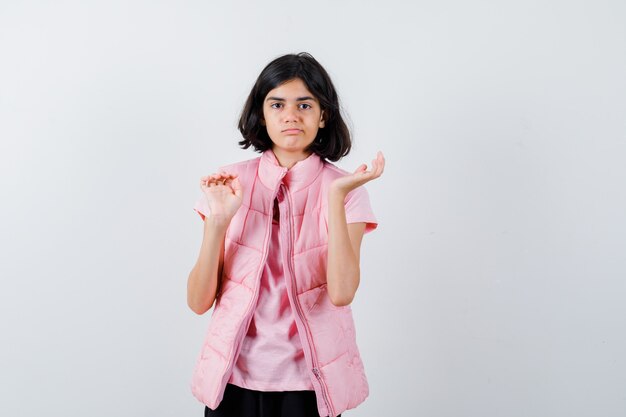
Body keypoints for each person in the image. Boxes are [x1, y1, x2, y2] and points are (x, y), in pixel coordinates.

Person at [187, 52, 385, 417]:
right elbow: (198, 302)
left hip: (310, 386)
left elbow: (341, 293)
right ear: (261, 114)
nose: (291, 115)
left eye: (305, 105)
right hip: (232, 382)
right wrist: (218, 221)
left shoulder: (347, 189)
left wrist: (337, 196)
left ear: (323, 115)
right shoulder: (228, 184)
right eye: (277, 103)